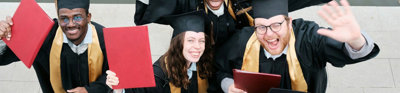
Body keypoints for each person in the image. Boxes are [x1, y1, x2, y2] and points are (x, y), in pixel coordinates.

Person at [215, 0, 380, 93]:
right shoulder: (242, 40)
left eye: (276, 25)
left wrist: (356, 39)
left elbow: (351, 50)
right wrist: (228, 85)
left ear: (289, 23)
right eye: (261, 27)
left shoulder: (308, 37)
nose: (269, 34)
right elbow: (219, 70)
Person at [0, 0, 110, 92]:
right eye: (65, 18)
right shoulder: (40, 35)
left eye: (77, 17)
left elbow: (117, 76)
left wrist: (91, 90)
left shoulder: (106, 39)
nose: (71, 24)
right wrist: (4, 36)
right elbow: (2, 58)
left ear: (88, 16)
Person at [106, 11, 215, 93]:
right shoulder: (159, 74)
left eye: (202, 41)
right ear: (178, 43)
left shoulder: (203, 66)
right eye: (190, 40)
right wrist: (119, 89)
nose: (197, 46)